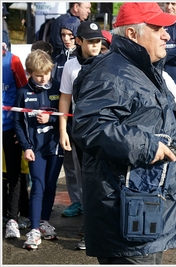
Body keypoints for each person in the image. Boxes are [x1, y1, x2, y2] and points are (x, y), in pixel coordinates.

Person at [71, 2, 176, 264]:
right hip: (124, 211)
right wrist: (148, 146)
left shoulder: (143, 68)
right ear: (132, 35)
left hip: (143, 205)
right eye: (158, 28)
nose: (167, 35)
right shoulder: (112, 72)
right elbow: (90, 126)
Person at [58, 21, 104, 250]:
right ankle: (89, 229)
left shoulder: (107, 63)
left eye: (99, 42)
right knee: (86, 181)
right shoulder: (70, 66)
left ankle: (103, 228)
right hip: (80, 131)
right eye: (91, 41)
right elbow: (65, 99)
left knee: (104, 181)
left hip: (105, 130)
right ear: (79, 41)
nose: (96, 46)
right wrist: (63, 130)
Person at [13, 50, 64, 249]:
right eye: (38, 75)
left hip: (55, 146)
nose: (43, 78)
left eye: (46, 74)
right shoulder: (23, 92)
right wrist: (26, 147)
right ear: (30, 73)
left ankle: (43, 221)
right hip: (36, 149)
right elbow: (17, 122)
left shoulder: (59, 88)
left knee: (51, 186)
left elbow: (65, 117)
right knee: (38, 186)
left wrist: (50, 118)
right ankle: (34, 229)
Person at [2, 45, 28, 240]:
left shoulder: (13, 61)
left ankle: (13, 217)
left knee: (13, 173)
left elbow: (24, 93)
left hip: (8, 126)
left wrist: (20, 126)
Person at [52, 16, 80, 82]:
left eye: (70, 34)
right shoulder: (57, 59)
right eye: (63, 35)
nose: (66, 39)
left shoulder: (84, 58)